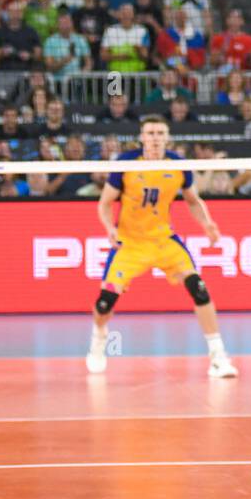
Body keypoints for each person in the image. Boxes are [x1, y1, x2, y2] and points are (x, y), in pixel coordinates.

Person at [86, 114, 237, 379]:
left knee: (198, 289)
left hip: (164, 241)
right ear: (142, 137)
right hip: (129, 244)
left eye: (159, 133)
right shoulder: (126, 163)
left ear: (166, 137)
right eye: (150, 133)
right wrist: (110, 229)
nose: (155, 138)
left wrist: (208, 223)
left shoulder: (178, 164)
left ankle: (218, 356)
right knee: (104, 303)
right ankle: (98, 340)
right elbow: (104, 203)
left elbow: (192, 200)